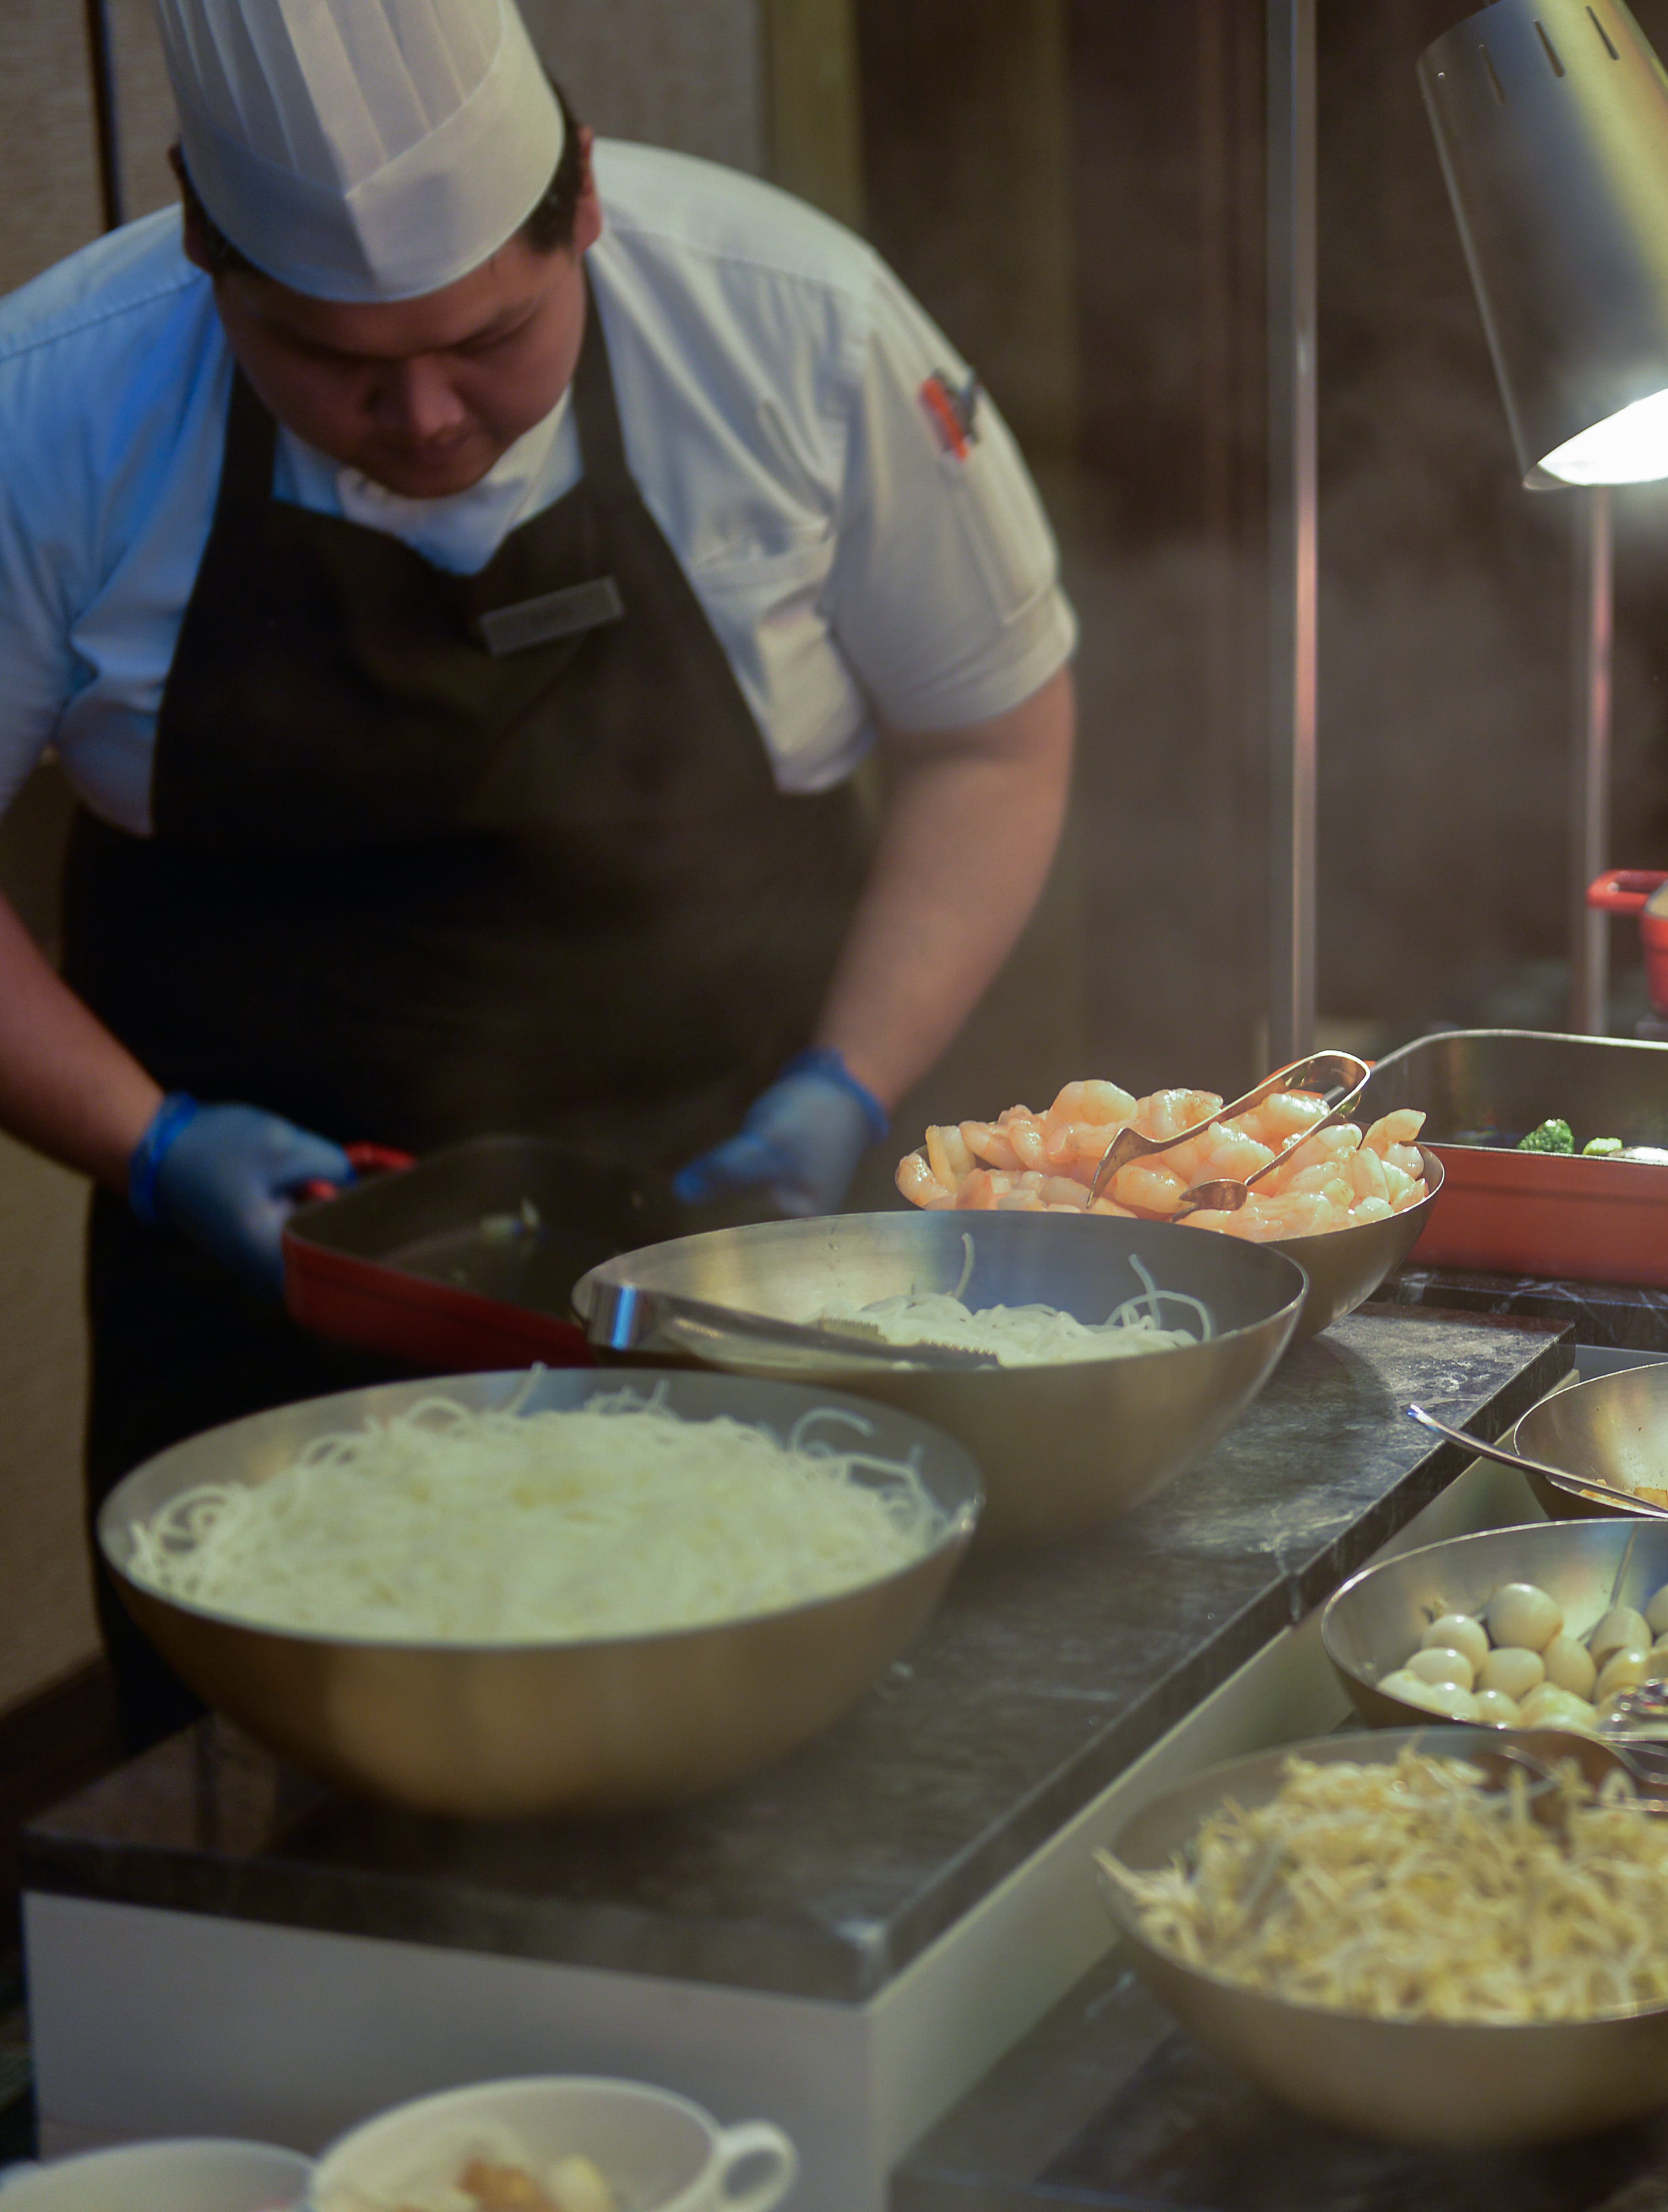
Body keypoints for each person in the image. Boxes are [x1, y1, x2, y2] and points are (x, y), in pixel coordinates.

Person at [0, 0, 1077, 1739]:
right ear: (211, 261)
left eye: (493, 339)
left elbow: (994, 740)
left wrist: (843, 1082)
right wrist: (152, 1144)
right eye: (333, 362)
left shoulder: (793, 326)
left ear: (581, 202)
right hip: (256, 1281)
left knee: (780, 1750)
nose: (426, 416)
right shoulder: (48, 410)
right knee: (258, 1828)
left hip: (745, 1238)